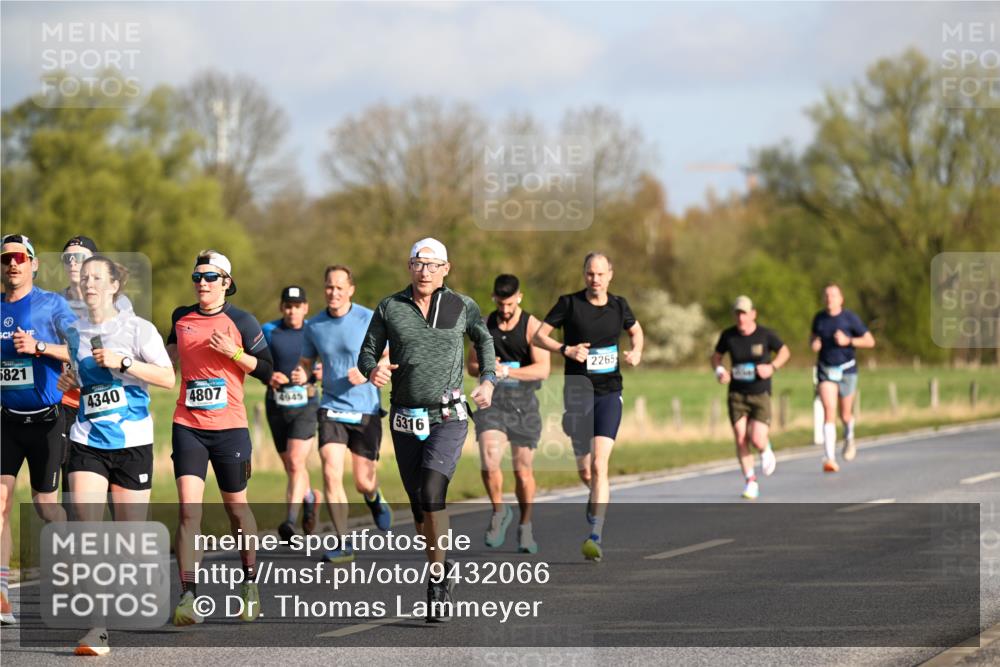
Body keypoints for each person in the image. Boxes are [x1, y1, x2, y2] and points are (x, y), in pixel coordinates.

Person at [358, 238, 496, 622]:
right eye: (418, 263)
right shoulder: (390, 307)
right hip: (405, 416)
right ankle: (441, 562)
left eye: (433, 265)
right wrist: (374, 369)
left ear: (445, 269)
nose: (425, 271)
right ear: (409, 266)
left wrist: (488, 379)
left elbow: (484, 340)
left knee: (434, 492)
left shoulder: (461, 305)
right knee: (420, 504)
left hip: (448, 416)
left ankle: (436, 582)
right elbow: (367, 352)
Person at [57, 256, 175, 655]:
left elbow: (167, 377)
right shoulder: (73, 332)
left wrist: (124, 362)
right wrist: (70, 380)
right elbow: (81, 380)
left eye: (97, 278)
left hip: (132, 442)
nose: (88, 284)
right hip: (87, 439)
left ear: (114, 286)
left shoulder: (138, 328)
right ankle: (97, 629)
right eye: (84, 278)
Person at [166, 250, 273, 626]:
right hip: (188, 424)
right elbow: (166, 363)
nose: (202, 283)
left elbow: (268, 370)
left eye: (210, 277)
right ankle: (188, 596)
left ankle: (250, 582)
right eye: (197, 277)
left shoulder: (242, 320)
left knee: (236, 509)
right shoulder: (181, 318)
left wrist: (236, 353)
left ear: (226, 282)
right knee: (188, 510)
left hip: (230, 428)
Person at [533, 252, 643, 562]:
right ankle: (595, 494)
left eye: (600, 274)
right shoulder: (569, 304)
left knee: (599, 465)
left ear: (610, 274)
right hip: (577, 395)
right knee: (585, 469)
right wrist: (565, 349)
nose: (595, 279)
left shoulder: (619, 305)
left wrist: (636, 351)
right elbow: (539, 337)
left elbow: (636, 331)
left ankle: (596, 534)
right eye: (590, 273)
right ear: (584, 275)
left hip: (609, 393)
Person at [293, 266, 392, 564]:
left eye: (339, 287)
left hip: (365, 409)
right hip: (331, 407)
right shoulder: (314, 325)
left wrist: (368, 371)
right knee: (330, 472)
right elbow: (306, 362)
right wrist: (302, 374)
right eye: (329, 287)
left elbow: (389, 355)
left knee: (363, 482)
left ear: (351, 289)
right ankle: (343, 543)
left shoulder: (368, 318)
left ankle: (373, 497)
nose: (333, 292)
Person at [0, 234, 75, 626]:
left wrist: (39, 347)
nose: (12, 263)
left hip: (47, 420)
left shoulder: (52, 304)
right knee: (0, 504)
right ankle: (2, 595)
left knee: (46, 506)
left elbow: (78, 350)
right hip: (7, 421)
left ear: (33, 264)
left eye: (19, 257)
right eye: (6, 258)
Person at [467, 274, 549, 553]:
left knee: (522, 472)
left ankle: (525, 526)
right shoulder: (484, 324)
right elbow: (472, 366)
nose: (505, 309)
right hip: (492, 403)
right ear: (494, 299)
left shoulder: (532, 326)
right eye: (501, 304)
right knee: (489, 460)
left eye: (510, 304)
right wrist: (486, 366)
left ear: (519, 298)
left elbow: (542, 369)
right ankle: (499, 511)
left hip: (524, 405)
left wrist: (506, 371)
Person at [710, 295, 790, 500]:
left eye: (744, 313)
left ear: (753, 314)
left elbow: (784, 352)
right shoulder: (728, 335)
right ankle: (750, 481)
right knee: (740, 437)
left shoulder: (765, 335)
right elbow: (716, 357)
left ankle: (765, 448)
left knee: (756, 438)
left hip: (760, 393)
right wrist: (720, 371)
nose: (741, 318)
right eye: (737, 314)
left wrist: (772, 367)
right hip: (737, 394)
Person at [262, 286, 320, 543]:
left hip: (306, 405)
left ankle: (289, 521)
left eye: (297, 306)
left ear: (305, 308)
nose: (292, 311)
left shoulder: (315, 331)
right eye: (288, 306)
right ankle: (310, 498)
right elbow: (255, 363)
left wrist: (312, 374)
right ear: (281, 307)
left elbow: (329, 361)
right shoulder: (268, 330)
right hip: (277, 404)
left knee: (296, 462)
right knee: (291, 465)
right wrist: (268, 375)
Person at [810, 283, 876, 472]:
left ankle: (849, 437)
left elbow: (870, 341)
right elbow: (813, 338)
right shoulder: (819, 318)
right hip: (826, 369)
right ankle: (829, 458)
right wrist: (814, 344)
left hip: (847, 370)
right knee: (829, 410)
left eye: (833, 295)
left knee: (845, 414)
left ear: (841, 299)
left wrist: (849, 341)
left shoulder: (850, 318)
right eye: (826, 295)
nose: (829, 299)